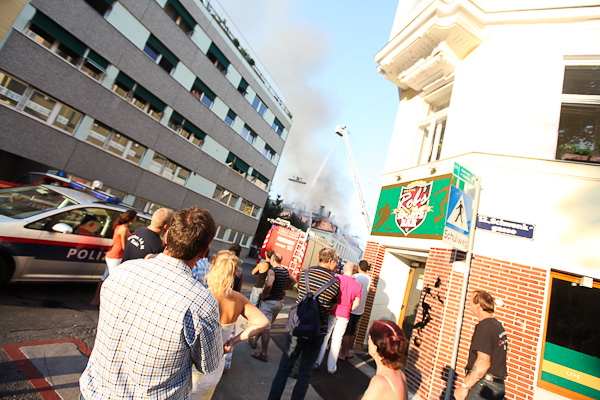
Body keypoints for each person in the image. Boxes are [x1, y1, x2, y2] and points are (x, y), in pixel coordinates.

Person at [79, 207, 223, 399]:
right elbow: (208, 365)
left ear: (166, 236)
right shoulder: (201, 302)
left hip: (94, 391)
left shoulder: (122, 272)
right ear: (204, 251)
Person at [191, 250, 269, 399]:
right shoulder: (238, 299)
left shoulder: (201, 295)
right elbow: (263, 322)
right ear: (233, 274)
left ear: (212, 268)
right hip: (215, 367)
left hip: (192, 366)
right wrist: (233, 341)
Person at [267, 248, 341, 400]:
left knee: (283, 368)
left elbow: (300, 295)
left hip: (297, 326)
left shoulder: (305, 274)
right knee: (305, 373)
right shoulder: (335, 283)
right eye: (336, 262)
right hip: (317, 331)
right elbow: (332, 305)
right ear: (330, 261)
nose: (336, 265)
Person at [454, 291, 508, 400]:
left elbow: (483, 363)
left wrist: (464, 386)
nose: (469, 302)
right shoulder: (497, 326)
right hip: (498, 387)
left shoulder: (484, 327)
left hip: (483, 387)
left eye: (471, 300)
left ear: (478, 305)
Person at [315, 261, 362, 374]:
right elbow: (357, 303)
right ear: (354, 271)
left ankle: (317, 361)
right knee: (337, 339)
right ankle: (331, 367)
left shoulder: (337, 279)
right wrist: (348, 309)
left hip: (332, 311)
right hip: (344, 314)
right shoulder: (357, 285)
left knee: (325, 336)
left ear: (344, 269)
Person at [250, 253, 295, 362]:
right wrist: (284, 289)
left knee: (266, 327)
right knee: (266, 323)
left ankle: (264, 353)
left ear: (273, 260)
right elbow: (293, 281)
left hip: (269, 302)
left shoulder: (272, 271)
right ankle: (254, 341)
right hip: (279, 302)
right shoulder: (285, 271)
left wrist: (265, 295)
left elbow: (269, 284)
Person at [90, 210, 136, 306]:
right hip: (117, 256)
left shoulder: (119, 226)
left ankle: (96, 299)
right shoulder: (124, 228)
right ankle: (107, 302)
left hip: (112, 254)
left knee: (105, 278)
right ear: (132, 218)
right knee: (113, 280)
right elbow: (124, 246)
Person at [362, 319, 409, 400]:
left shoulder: (380, 382)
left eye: (370, 338)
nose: (368, 340)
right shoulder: (400, 375)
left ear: (375, 348)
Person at [341, 259, 372, 360]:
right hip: (360, 309)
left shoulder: (355, 277)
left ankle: (342, 353)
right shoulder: (369, 279)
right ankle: (347, 352)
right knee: (352, 331)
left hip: (351, 307)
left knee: (346, 331)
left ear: (358, 267)